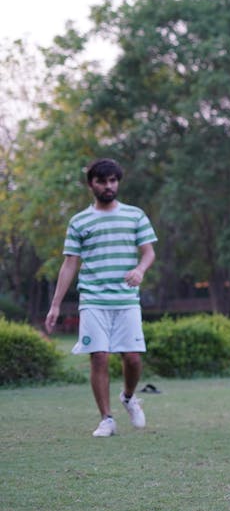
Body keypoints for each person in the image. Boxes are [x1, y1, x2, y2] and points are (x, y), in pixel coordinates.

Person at [45, 158, 157, 437]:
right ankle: (106, 419)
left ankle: (129, 398)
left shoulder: (135, 215)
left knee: (132, 358)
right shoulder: (79, 221)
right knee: (99, 357)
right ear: (91, 184)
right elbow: (70, 263)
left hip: (126, 299)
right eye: (103, 181)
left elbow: (149, 252)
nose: (109, 186)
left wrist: (140, 270)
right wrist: (56, 304)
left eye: (113, 181)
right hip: (93, 298)